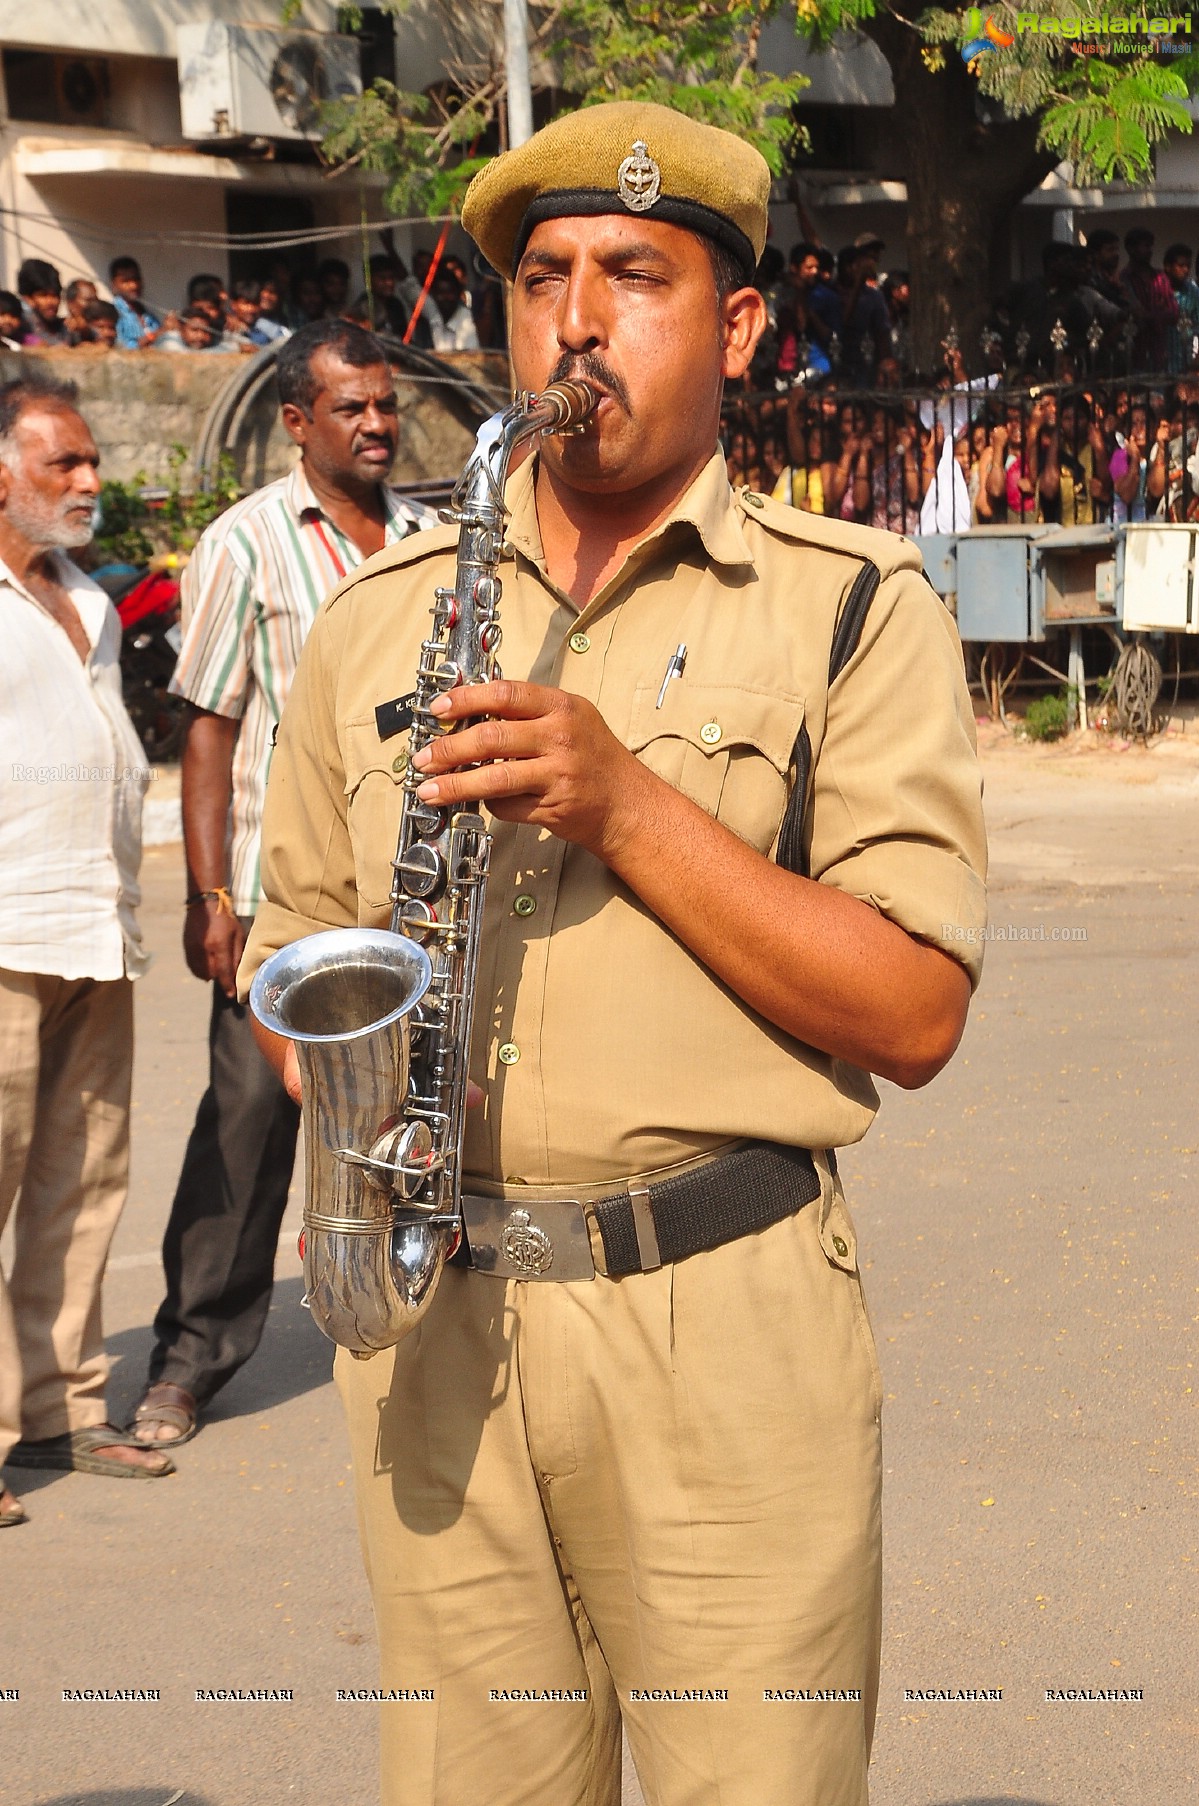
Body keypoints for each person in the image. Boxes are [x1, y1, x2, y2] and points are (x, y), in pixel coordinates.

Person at [240, 100, 987, 1806]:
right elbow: (293, 959)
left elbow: (912, 1007)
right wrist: (360, 1088)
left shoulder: (854, 605)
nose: (575, 318)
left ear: (730, 325)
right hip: (438, 1329)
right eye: (542, 280)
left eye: (631, 276)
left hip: (721, 1331)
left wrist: (627, 811)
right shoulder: (379, 616)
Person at [126, 321, 436, 1450]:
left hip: (405, 901)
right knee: (252, 1124)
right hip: (278, 902)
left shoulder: (429, 539)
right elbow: (205, 726)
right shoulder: (245, 544)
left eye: (385, 404)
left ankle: (405, 1312)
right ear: (298, 423)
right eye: (349, 407)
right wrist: (213, 901)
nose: (375, 424)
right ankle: (191, 1357)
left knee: (415, 1113)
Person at [0, 374, 175, 1528]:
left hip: (96, 926)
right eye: (61, 463)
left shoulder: (92, 604)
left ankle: (62, 1408)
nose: (88, 482)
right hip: (3, 932)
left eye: (90, 460)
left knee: (84, 1182)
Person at [1121, 228, 1177, 372]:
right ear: (1131, 249)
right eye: (1145, 246)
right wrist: (1156, 313)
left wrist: (1147, 315)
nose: (1150, 251)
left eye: (1150, 246)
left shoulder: (1160, 278)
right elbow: (1128, 314)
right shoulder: (1124, 279)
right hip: (1135, 351)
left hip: (1159, 350)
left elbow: (1173, 313)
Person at [108, 257, 163, 349]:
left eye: (136, 279)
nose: (134, 285)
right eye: (126, 281)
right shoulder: (114, 312)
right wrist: (159, 332)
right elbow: (125, 347)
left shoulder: (146, 314)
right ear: (114, 285)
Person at [1163, 243, 1199, 375]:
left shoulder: (1193, 292)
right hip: (1160, 360)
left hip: (1186, 361)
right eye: (1181, 266)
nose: (1185, 270)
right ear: (1168, 266)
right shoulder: (1157, 290)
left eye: (1188, 266)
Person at [427, 266, 481, 351]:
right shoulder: (435, 317)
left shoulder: (467, 318)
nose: (445, 297)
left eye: (449, 292)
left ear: (458, 294)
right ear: (433, 295)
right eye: (441, 293)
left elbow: (467, 358)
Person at [17, 259, 67, 346]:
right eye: (43, 295)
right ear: (27, 298)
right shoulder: (18, 323)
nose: (51, 302)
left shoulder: (62, 325)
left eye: (55, 295)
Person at [62, 278, 99, 345]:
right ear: (70, 303)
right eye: (88, 300)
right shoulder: (61, 328)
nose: (94, 304)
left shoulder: (104, 327)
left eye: (95, 300)